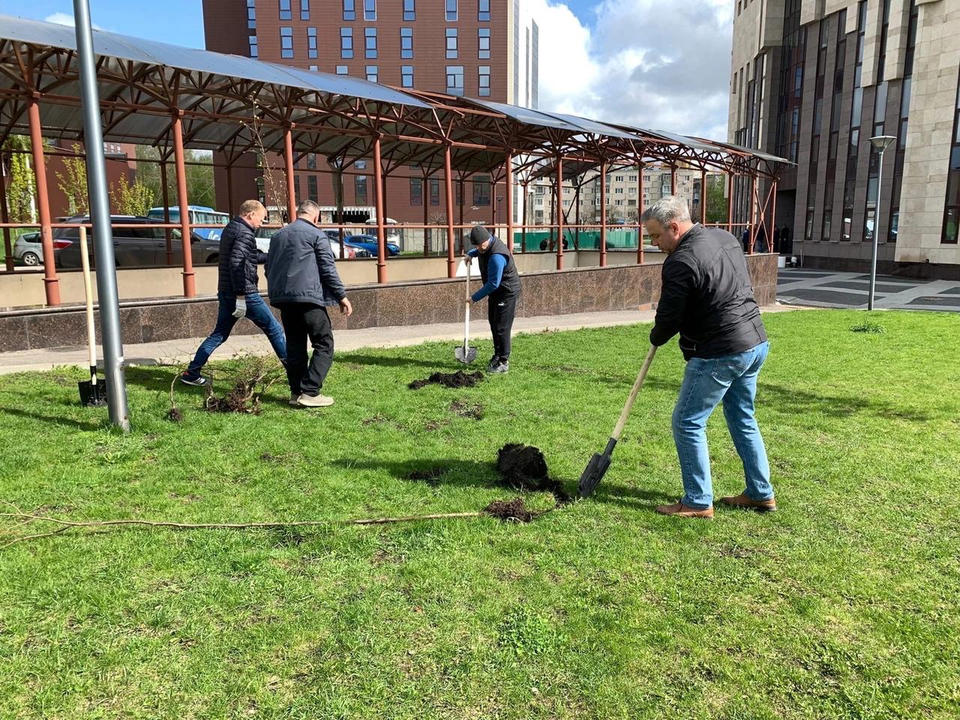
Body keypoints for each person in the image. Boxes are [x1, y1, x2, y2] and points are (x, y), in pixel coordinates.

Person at [641, 196, 775, 519]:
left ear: (675, 227)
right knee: (742, 416)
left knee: (687, 421)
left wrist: (656, 335)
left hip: (721, 352)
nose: (654, 243)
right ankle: (760, 493)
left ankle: (698, 500)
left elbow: (669, 318)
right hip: (755, 342)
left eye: (656, 236)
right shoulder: (726, 238)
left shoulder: (680, 262)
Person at [181, 199, 286, 387]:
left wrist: (273, 256)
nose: (261, 223)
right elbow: (237, 263)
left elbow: (250, 258)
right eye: (261, 219)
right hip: (245, 294)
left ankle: (192, 372)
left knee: (219, 333)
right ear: (251, 214)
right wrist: (241, 297)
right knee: (274, 329)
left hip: (226, 292)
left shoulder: (232, 228)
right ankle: (296, 372)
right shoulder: (244, 233)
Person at [267, 200, 353, 408]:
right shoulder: (316, 235)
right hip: (308, 299)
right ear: (316, 216)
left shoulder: (277, 236)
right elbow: (328, 269)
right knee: (324, 343)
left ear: (299, 213)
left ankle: (296, 393)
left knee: (295, 346)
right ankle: (310, 391)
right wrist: (341, 296)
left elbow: (268, 268)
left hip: (284, 299)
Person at [465, 225, 521, 374]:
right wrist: (471, 254)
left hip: (506, 292)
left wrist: (474, 298)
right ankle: (497, 355)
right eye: (475, 245)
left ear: (487, 239)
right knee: (493, 323)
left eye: (479, 245)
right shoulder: (485, 246)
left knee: (502, 327)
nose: (478, 248)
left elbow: (493, 284)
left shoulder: (497, 256)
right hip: (496, 292)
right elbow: (480, 251)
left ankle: (503, 361)